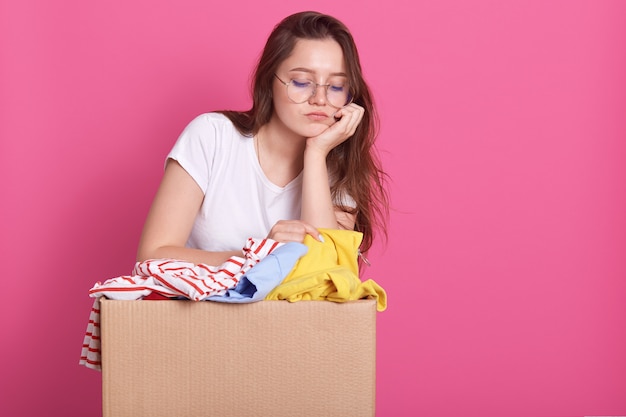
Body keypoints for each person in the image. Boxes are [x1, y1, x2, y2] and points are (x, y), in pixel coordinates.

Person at [136, 11, 389, 268]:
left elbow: (327, 274)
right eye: (302, 82)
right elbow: (152, 253)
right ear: (269, 82)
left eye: (336, 87)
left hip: (292, 311)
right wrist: (257, 254)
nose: (320, 100)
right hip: (201, 308)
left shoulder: (340, 164)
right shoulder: (212, 136)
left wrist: (316, 154)